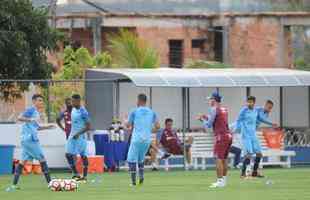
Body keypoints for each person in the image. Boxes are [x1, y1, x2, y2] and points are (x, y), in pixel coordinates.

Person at [9, 94, 55, 190]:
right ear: (34, 101)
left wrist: (48, 127)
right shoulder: (31, 110)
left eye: (42, 100)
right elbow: (19, 118)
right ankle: (50, 183)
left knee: (22, 162)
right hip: (30, 140)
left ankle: (14, 185)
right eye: (39, 100)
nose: (41, 102)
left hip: (26, 140)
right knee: (42, 159)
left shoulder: (37, 113)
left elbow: (36, 127)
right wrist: (30, 119)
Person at [237, 96, 277, 178]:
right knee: (249, 154)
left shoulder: (255, 111)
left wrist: (271, 124)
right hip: (246, 134)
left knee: (259, 154)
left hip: (253, 134)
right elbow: (238, 120)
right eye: (248, 102)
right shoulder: (245, 110)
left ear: (254, 103)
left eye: (251, 102)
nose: (249, 103)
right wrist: (237, 129)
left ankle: (254, 172)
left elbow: (260, 119)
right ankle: (243, 173)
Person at [198, 91, 232, 188]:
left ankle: (219, 181)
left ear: (214, 100)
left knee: (218, 159)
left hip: (221, 136)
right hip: (228, 136)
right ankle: (224, 180)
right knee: (224, 159)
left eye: (210, 99)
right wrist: (206, 117)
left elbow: (208, 124)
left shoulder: (213, 109)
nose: (209, 101)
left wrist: (202, 119)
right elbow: (217, 119)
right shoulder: (224, 109)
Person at [126, 93, 160, 186]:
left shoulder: (134, 111)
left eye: (137, 100)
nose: (136, 102)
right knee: (140, 159)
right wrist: (148, 130)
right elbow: (158, 126)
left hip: (136, 139)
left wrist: (125, 121)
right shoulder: (152, 112)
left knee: (131, 160)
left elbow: (128, 125)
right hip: (147, 140)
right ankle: (141, 177)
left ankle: (133, 183)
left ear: (140, 100)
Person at [65, 94, 91, 182]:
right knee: (68, 154)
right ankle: (76, 174)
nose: (71, 103)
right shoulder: (73, 109)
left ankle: (85, 176)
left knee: (83, 155)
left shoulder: (83, 111)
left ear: (78, 101)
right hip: (72, 136)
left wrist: (78, 134)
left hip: (80, 136)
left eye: (73, 101)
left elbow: (88, 127)